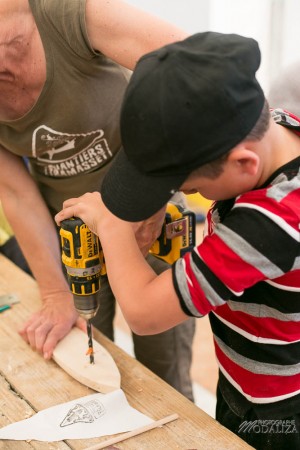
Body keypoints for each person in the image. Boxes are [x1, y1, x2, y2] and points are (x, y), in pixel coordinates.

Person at [55, 32, 300, 449]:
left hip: (274, 411)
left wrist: (112, 226)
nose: (183, 194)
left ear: (244, 162)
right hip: (242, 376)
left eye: (187, 185)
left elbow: (145, 315)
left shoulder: (271, 221)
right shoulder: (274, 123)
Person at [0, 0, 196, 401]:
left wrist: (150, 198)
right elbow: (15, 193)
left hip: (154, 221)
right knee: (90, 362)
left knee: (164, 376)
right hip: (78, 238)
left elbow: (192, 69)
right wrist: (56, 294)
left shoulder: (66, 12)